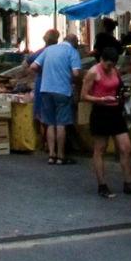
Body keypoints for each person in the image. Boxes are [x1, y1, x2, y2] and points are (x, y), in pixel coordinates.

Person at [80, 48, 131, 198]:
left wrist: (123, 94)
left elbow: (118, 86)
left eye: (112, 65)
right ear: (101, 60)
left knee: (126, 147)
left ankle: (128, 182)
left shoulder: (114, 70)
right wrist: (101, 99)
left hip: (115, 111)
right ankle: (102, 184)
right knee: (100, 148)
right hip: (101, 112)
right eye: (107, 65)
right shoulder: (93, 72)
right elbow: (84, 95)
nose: (109, 68)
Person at [24, 28, 83, 166]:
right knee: (61, 123)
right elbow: (76, 74)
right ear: (74, 43)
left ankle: (51, 155)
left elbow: (33, 66)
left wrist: (44, 73)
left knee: (50, 123)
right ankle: (61, 156)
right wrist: (72, 78)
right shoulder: (72, 52)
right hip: (62, 90)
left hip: (45, 89)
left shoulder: (49, 50)